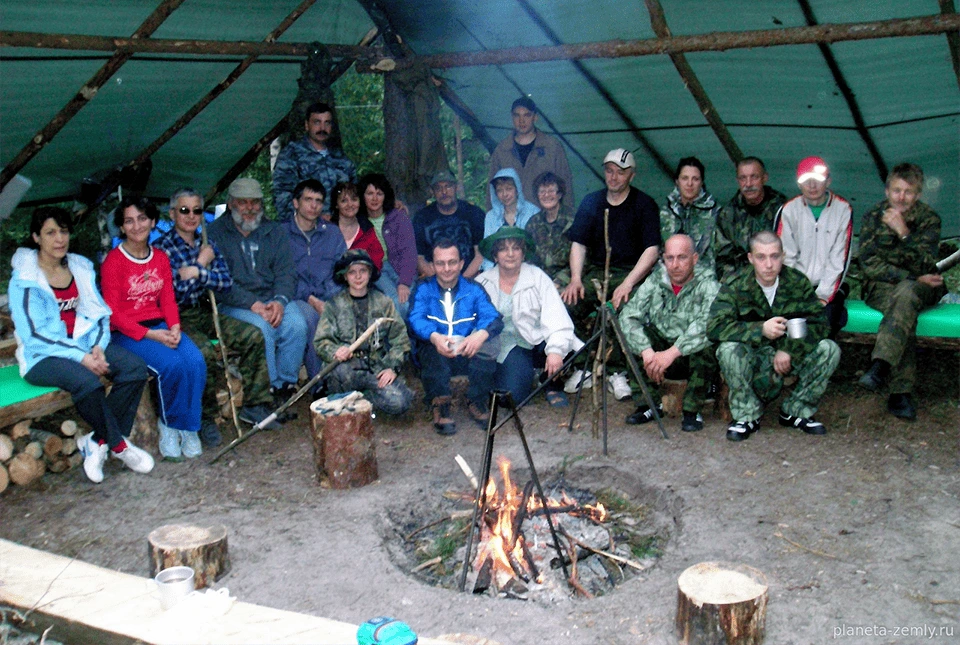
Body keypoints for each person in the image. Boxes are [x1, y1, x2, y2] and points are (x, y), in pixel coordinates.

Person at [9, 207, 154, 483]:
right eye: (50, 232)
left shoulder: (79, 267)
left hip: (85, 344)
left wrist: (98, 346)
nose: (59, 239)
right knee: (88, 381)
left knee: (134, 369)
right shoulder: (25, 281)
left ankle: (97, 442)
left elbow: (98, 312)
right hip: (42, 356)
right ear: (36, 238)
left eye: (63, 231)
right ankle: (120, 446)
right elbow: (33, 335)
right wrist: (81, 357)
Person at [156, 188, 279, 439]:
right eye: (184, 210)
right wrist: (202, 264)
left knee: (252, 335)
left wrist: (196, 272)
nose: (191, 216)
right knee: (202, 352)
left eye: (197, 210)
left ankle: (255, 405)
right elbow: (175, 293)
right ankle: (206, 417)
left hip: (206, 310)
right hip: (176, 317)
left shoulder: (208, 244)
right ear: (172, 214)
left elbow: (224, 283)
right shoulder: (162, 250)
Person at [707, 231, 840, 442]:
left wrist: (788, 348)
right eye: (761, 257)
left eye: (774, 256)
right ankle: (745, 415)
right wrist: (760, 329)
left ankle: (796, 410)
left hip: (789, 356)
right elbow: (715, 327)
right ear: (751, 258)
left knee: (829, 349)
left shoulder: (796, 282)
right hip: (753, 356)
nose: (768, 264)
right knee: (728, 350)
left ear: (783, 256)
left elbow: (819, 323)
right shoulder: (735, 284)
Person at [101, 197, 207, 460]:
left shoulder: (159, 258)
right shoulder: (114, 261)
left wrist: (174, 327)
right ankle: (169, 425)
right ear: (122, 227)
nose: (137, 226)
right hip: (127, 333)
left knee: (195, 361)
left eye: (142, 218)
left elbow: (167, 298)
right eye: (129, 220)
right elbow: (112, 313)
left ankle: (189, 427)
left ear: (153, 221)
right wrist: (151, 335)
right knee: (170, 365)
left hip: (160, 324)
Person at [857, 163, 946, 420]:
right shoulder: (873, 216)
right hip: (883, 286)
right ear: (887, 191)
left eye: (908, 192)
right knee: (903, 300)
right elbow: (868, 264)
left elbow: (928, 266)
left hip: (925, 287)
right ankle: (900, 392)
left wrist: (904, 233)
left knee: (907, 295)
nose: (901, 197)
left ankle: (880, 366)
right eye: (896, 191)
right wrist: (908, 276)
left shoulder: (929, 219)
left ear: (918, 194)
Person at [207, 178, 308, 406]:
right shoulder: (213, 234)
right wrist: (252, 303)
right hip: (234, 303)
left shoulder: (273, 231)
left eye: (255, 203)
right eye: (243, 203)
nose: (250, 209)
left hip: (272, 297)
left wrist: (280, 301)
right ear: (231, 204)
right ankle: (268, 389)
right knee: (261, 328)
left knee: (296, 325)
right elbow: (218, 282)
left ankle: (285, 385)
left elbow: (286, 272)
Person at [619, 234, 720, 432]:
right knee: (632, 335)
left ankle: (692, 410)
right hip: (659, 353)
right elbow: (628, 316)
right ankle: (648, 404)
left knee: (707, 343)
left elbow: (706, 324)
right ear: (663, 259)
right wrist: (647, 351)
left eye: (682, 257)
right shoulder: (656, 280)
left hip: (688, 355)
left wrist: (672, 353)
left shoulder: (708, 284)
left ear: (695, 258)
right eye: (670, 258)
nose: (675, 265)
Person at [476, 227, 581, 407]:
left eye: (516, 248)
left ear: (523, 254)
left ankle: (552, 383)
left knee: (565, 344)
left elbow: (556, 316)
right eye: (503, 249)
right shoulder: (483, 282)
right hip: (507, 346)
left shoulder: (538, 277)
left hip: (538, 340)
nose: (510, 254)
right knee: (510, 398)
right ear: (495, 256)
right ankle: (523, 373)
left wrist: (555, 351)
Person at [408, 239, 503, 435]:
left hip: (466, 350)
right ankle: (440, 402)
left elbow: (493, 317)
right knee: (428, 347)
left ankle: (476, 399)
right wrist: (434, 337)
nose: (447, 268)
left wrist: (479, 335)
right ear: (433, 265)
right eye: (440, 263)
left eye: (452, 262)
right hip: (438, 351)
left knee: (490, 341)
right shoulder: (423, 288)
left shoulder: (474, 288)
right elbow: (415, 318)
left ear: (461, 263)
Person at [561, 148, 661, 312]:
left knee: (627, 310)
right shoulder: (591, 201)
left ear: (632, 175)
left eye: (620, 173)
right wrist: (576, 279)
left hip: (630, 273)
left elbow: (652, 250)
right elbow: (578, 243)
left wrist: (628, 283)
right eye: (609, 171)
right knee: (566, 305)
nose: (613, 178)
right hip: (597, 274)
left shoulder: (645, 204)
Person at [314, 250, 413, 415]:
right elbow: (321, 342)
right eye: (352, 272)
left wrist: (391, 368)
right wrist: (335, 351)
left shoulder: (384, 303)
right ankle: (343, 399)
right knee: (339, 372)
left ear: (370, 273)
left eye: (363, 271)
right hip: (345, 369)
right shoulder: (333, 305)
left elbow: (400, 340)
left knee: (399, 402)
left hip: (376, 368)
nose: (358, 277)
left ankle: (360, 403)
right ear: (345, 276)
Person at [775, 156, 853, 338]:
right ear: (798, 184)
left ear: (828, 181)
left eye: (818, 180)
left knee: (826, 323)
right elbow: (786, 257)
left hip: (829, 288)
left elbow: (839, 259)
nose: (812, 186)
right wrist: (797, 291)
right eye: (805, 181)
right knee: (791, 327)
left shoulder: (843, 210)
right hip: (796, 286)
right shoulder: (788, 210)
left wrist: (823, 296)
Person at [283, 179, 346, 385]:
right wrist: (312, 300)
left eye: (318, 201)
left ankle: (352, 377)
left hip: (328, 292)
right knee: (312, 319)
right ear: (295, 202)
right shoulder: (281, 234)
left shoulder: (332, 232)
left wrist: (333, 298)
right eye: (308, 200)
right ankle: (320, 384)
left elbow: (342, 270)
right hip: (296, 296)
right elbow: (283, 276)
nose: (313, 206)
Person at [272, 101, 357, 221]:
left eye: (327, 123)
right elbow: (282, 197)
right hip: (305, 230)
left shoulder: (341, 158)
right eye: (317, 122)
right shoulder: (292, 155)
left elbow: (354, 193)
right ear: (307, 125)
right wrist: (312, 219)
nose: (322, 128)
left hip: (339, 229)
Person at [487, 97, 574, 208]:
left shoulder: (552, 147)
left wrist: (567, 218)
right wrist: (492, 218)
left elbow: (565, 184)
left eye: (527, 115)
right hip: (512, 220)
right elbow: (491, 190)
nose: (521, 120)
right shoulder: (502, 150)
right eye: (517, 115)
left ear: (535, 117)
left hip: (545, 219)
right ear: (511, 117)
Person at [713, 156, 787, 281]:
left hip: (777, 281)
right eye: (743, 178)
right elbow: (722, 260)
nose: (748, 184)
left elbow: (791, 253)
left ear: (765, 178)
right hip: (741, 284)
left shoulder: (783, 209)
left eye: (754, 177)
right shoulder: (728, 214)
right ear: (737, 181)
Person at [358, 173, 417, 318]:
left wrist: (404, 282)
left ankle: (406, 339)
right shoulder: (357, 221)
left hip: (401, 268)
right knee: (398, 303)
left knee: (409, 302)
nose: (374, 198)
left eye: (379, 193)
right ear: (362, 196)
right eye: (370, 193)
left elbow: (409, 253)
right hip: (377, 269)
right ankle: (402, 340)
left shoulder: (398, 217)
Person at [412, 170, 486, 279]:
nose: (444, 192)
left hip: (471, 278)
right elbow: (419, 258)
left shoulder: (474, 213)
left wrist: (462, 282)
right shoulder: (422, 218)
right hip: (434, 280)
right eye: (438, 188)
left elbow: (480, 255)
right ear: (433, 192)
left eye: (448, 186)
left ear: (456, 187)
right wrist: (442, 282)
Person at [659, 157, 720, 273]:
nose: (689, 184)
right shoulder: (665, 212)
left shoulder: (716, 212)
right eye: (685, 178)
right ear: (677, 181)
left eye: (695, 179)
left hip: (704, 275)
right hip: (668, 273)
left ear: (702, 182)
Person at [480, 168, 539, 270]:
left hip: (528, 268)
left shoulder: (533, 212)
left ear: (517, 189)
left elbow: (537, 249)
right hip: (499, 270)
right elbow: (488, 250)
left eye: (509, 189)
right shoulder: (491, 216)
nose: (504, 194)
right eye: (499, 190)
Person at [525, 171, 574, 285]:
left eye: (551, 191)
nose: (546, 195)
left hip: (568, 280)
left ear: (560, 194)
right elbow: (528, 258)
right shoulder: (533, 223)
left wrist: (559, 282)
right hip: (539, 279)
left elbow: (584, 259)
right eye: (542, 192)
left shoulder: (573, 219)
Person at [330, 181, 384, 271]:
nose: (350, 204)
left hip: (364, 278)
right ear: (336, 204)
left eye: (354, 199)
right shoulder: (328, 230)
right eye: (344, 201)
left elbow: (377, 258)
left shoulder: (366, 227)